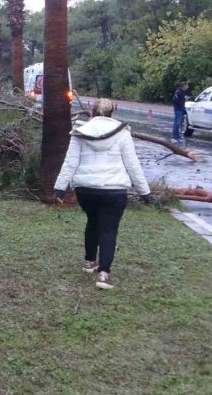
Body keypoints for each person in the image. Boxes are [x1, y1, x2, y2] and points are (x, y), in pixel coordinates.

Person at [53, 98, 152, 290]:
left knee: (93, 221)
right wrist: (144, 191)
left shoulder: (80, 132)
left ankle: (89, 262)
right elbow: (133, 164)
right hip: (114, 191)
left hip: (86, 190)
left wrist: (60, 187)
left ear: (92, 112)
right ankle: (104, 274)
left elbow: (70, 162)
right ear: (112, 113)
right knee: (108, 229)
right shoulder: (122, 133)